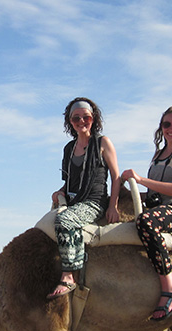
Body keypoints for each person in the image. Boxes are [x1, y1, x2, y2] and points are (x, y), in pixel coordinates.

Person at [121, 106, 172, 320]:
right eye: (167, 124)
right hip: (160, 207)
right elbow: (155, 193)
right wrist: (126, 192)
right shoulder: (158, 155)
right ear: (161, 128)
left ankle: (170, 288)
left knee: (145, 222)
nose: (171, 129)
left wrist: (139, 180)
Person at [47, 97, 121, 299]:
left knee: (65, 220)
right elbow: (71, 180)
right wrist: (60, 191)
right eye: (76, 118)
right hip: (71, 201)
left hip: (94, 202)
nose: (81, 121)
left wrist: (112, 206)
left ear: (93, 118)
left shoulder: (102, 143)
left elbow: (116, 177)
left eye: (86, 117)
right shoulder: (69, 149)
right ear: (69, 122)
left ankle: (69, 276)